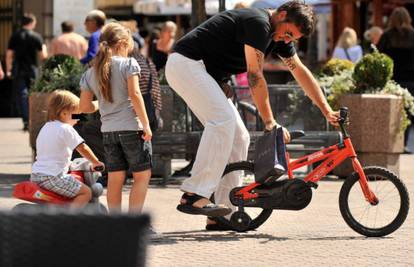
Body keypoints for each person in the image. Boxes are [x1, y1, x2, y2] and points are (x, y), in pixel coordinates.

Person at [165, 1, 339, 229]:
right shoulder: (259, 23)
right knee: (223, 121)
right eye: (287, 34)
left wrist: (327, 110)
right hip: (186, 64)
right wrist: (270, 122)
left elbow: (300, 72)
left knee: (240, 138)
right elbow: (255, 75)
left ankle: (222, 214)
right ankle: (194, 194)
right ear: (282, 14)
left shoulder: (278, 35)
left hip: (202, 72)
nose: (286, 41)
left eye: (292, 39)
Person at [79, 22, 153, 214]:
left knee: (115, 178)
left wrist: (101, 103)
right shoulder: (129, 64)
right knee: (141, 176)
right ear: (121, 43)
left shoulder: (90, 72)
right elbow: (135, 94)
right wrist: (146, 125)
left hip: (108, 131)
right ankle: (134, 222)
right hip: (131, 128)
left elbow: (84, 107)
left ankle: (115, 224)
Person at [30, 90, 105, 208]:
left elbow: (52, 154)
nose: (78, 118)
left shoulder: (46, 127)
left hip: (36, 175)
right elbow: (82, 148)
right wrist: (96, 162)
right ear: (64, 113)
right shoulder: (65, 129)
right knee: (86, 193)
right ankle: (69, 219)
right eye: (75, 114)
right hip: (53, 177)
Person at [377, 7, 414, 154]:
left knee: (391, 113)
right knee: (407, 114)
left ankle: (391, 144)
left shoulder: (387, 36)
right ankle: (403, 143)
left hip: (392, 80)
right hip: (411, 80)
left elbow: (379, 56)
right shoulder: (413, 35)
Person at [6, 13, 47, 131]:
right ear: (32, 23)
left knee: (22, 95)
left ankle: (25, 120)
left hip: (18, 69)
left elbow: (9, 55)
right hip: (32, 69)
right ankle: (35, 119)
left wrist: (8, 69)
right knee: (34, 94)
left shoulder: (15, 35)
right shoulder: (37, 36)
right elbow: (43, 56)